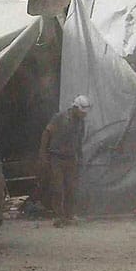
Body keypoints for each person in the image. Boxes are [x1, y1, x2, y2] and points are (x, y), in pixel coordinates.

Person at [38, 95, 90, 224]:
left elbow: (78, 141)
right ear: (75, 108)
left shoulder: (80, 122)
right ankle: (59, 216)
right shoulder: (59, 117)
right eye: (82, 112)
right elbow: (46, 133)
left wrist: (80, 157)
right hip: (57, 158)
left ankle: (69, 215)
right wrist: (43, 153)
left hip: (71, 158)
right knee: (58, 188)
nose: (84, 115)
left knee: (71, 188)